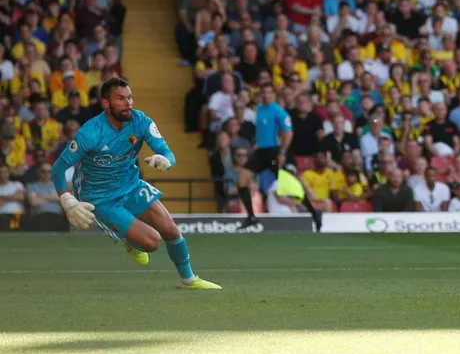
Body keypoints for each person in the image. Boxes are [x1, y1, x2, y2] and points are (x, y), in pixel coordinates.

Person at [50, 77, 220, 289]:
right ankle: (131, 242)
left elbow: (167, 152)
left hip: (131, 186)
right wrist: (67, 200)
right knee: (152, 242)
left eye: (129, 97)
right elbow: (58, 168)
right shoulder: (90, 132)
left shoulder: (141, 122)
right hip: (100, 198)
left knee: (171, 230)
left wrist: (165, 160)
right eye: (120, 99)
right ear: (106, 103)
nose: (128, 103)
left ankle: (189, 280)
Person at [236, 83, 321, 231]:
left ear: (273, 95)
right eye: (264, 93)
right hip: (261, 151)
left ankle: (314, 212)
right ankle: (251, 216)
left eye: (270, 93)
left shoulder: (278, 111)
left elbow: (288, 132)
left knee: (291, 185)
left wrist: (282, 152)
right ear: (261, 94)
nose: (267, 95)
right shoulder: (260, 108)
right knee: (242, 180)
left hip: (273, 152)